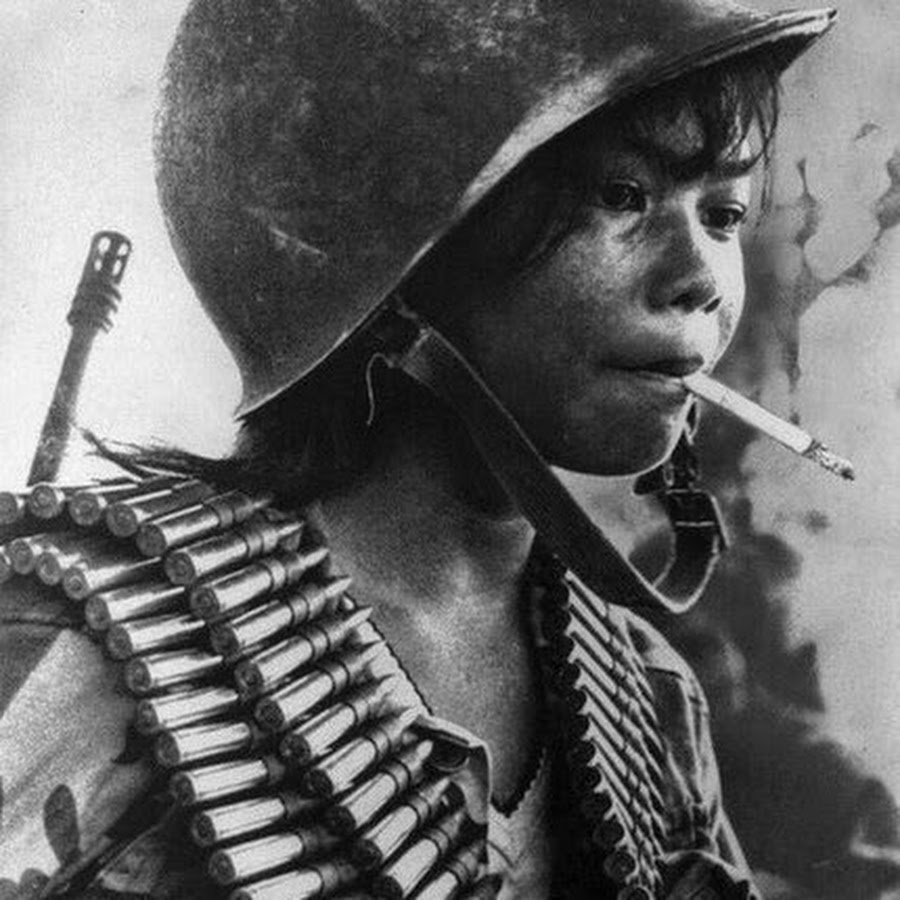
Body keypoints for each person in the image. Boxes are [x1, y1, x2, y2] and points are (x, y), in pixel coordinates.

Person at [0, 0, 838, 897]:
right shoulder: (106, 647)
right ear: (397, 248)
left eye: (723, 212)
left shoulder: (647, 703)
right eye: (622, 198)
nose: (701, 279)